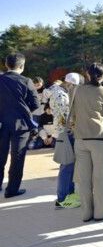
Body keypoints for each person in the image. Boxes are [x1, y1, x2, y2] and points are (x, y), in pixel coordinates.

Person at [70, 63, 103, 222]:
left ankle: (86, 213)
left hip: (80, 139)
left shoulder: (76, 90)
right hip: (99, 139)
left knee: (83, 179)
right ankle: (100, 212)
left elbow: (71, 115)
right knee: (99, 179)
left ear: (87, 74)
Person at [0, 53, 40, 198]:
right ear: (22, 66)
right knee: (17, 157)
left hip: (1, 123)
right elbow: (35, 104)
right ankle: (12, 189)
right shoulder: (26, 81)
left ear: (6, 65)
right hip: (21, 124)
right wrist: (24, 110)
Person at [48, 72, 81, 209]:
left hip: (64, 132)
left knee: (69, 165)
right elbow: (65, 116)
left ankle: (69, 193)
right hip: (65, 133)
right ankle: (62, 198)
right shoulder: (61, 94)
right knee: (67, 165)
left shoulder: (57, 91)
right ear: (70, 83)